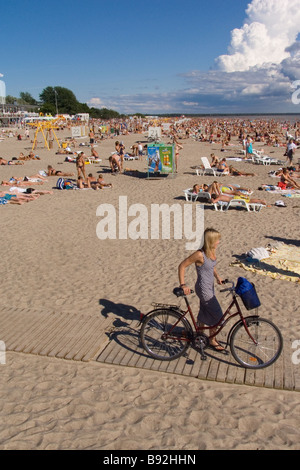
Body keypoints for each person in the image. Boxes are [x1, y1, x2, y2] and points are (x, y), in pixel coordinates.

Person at [178, 228, 225, 351]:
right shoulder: (199, 254)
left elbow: (212, 266)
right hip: (203, 288)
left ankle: (198, 333)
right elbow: (182, 265)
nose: (219, 242)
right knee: (218, 316)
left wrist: (218, 277)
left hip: (210, 287)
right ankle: (212, 340)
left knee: (204, 311)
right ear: (210, 241)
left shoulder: (212, 252)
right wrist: (183, 285)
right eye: (217, 240)